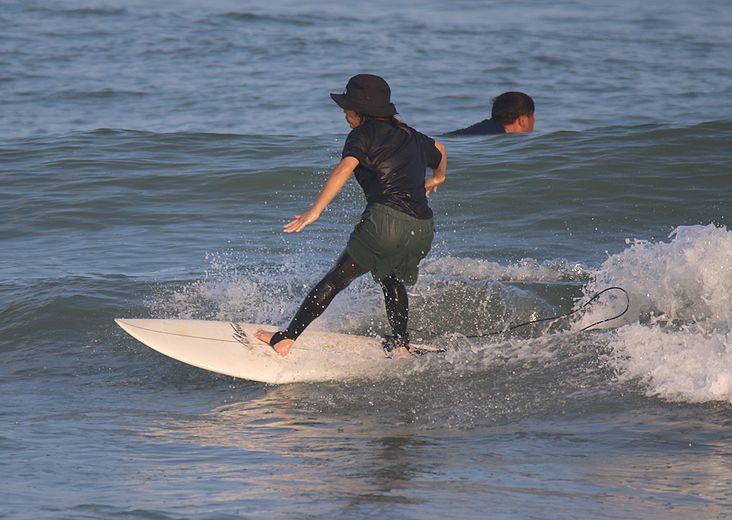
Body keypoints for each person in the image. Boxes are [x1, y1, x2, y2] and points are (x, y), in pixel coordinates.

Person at [255, 74, 447, 357]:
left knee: (336, 279)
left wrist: (315, 211)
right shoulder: (411, 134)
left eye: (348, 108)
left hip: (385, 222)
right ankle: (401, 343)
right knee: (391, 278)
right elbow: (440, 148)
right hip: (422, 227)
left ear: (361, 111)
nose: (345, 114)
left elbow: (344, 169)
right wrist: (438, 178)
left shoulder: (362, 134)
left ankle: (286, 338)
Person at [446, 91, 535, 135]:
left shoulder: (485, 129)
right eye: (532, 117)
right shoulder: (498, 138)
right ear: (522, 120)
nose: (534, 122)